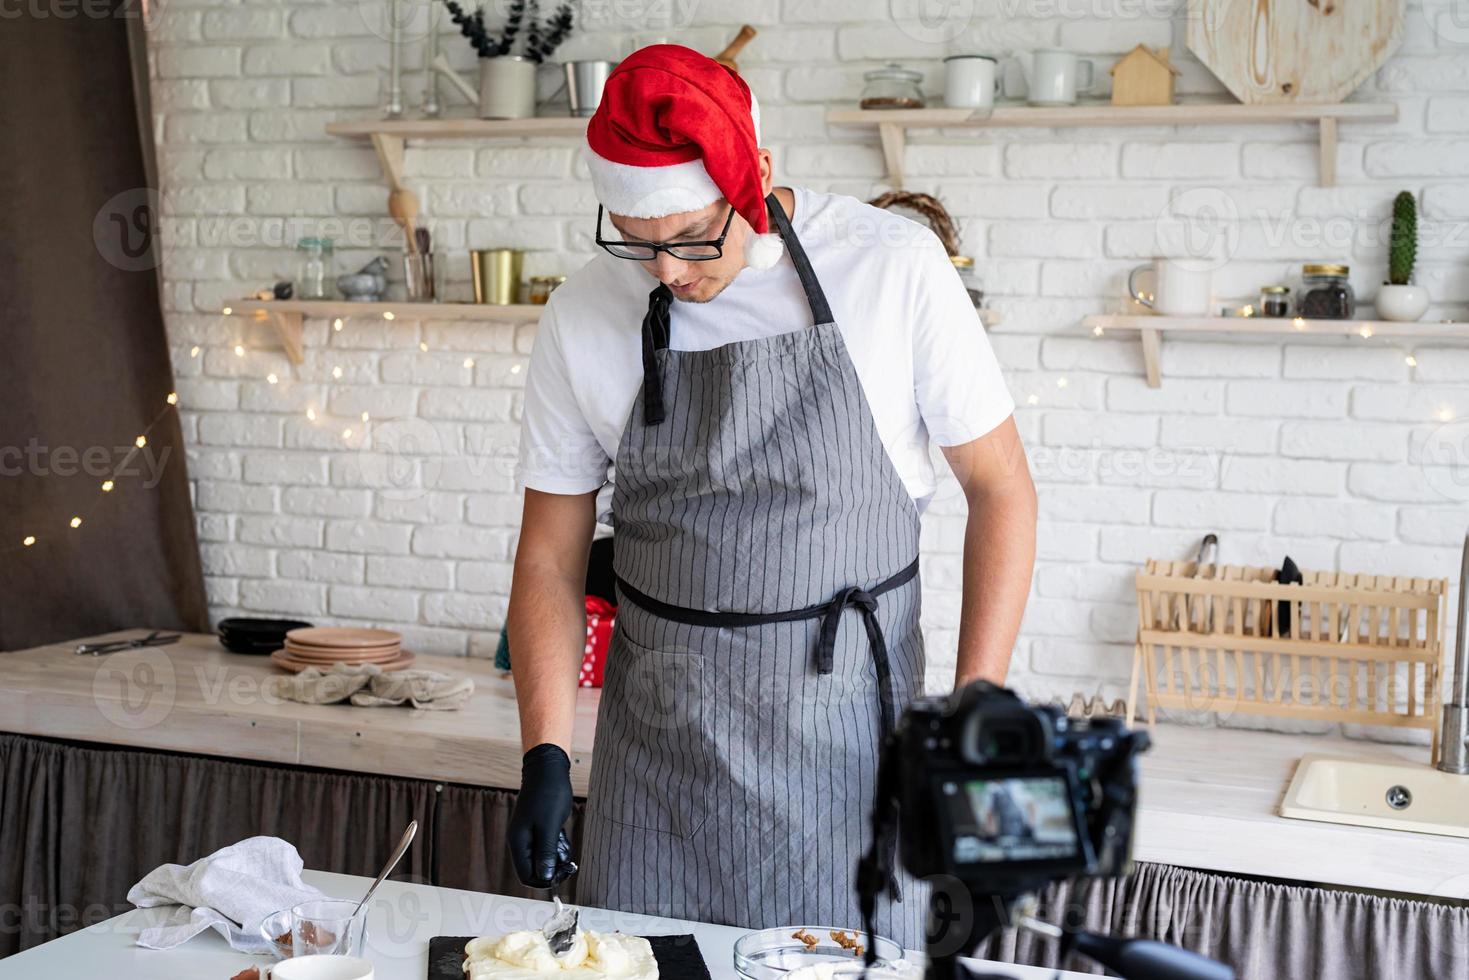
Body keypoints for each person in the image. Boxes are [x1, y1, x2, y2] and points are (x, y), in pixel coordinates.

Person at [503, 44, 1036, 948]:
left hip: (849, 752)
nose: (667, 271)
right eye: (637, 242)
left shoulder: (889, 268)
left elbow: (1003, 493)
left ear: (757, 175)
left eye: (690, 237)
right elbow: (550, 556)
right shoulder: (582, 314)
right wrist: (546, 754)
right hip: (659, 763)